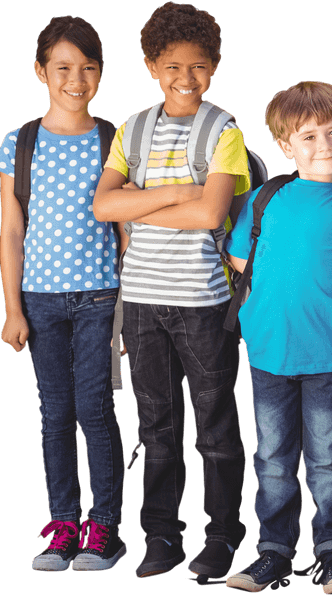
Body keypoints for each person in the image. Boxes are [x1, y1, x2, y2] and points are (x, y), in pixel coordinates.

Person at [92, 1, 250, 580]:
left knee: (215, 427)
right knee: (156, 426)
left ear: (215, 65)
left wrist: (141, 201)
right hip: (140, 301)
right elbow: (103, 206)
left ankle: (222, 534)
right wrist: (183, 191)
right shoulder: (131, 129)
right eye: (173, 66)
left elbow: (211, 216)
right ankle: (161, 534)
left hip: (204, 301)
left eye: (199, 66)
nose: (186, 77)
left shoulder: (224, 130)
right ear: (151, 65)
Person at [223, 81, 332, 594]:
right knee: (272, 458)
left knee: (329, 459)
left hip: (329, 353)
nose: (324, 145)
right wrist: (264, 304)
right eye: (308, 137)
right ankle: (274, 551)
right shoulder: (267, 197)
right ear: (285, 145)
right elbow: (241, 256)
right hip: (269, 352)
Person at [0, 15, 126, 572]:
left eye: (88, 68)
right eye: (63, 68)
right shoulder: (19, 142)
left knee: (95, 409)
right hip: (40, 300)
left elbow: (127, 229)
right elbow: (11, 229)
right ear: (40, 72)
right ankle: (63, 523)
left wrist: (130, 312)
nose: (76, 80)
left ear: (100, 73)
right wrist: (13, 308)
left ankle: (104, 528)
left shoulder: (114, 139)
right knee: (54, 414)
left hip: (101, 297)